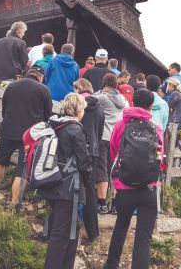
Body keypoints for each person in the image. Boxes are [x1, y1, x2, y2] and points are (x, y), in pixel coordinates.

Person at [105, 89, 164, 269]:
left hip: (124, 187)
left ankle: (112, 265)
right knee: (143, 237)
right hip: (149, 189)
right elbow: (161, 159)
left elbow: (114, 151)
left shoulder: (120, 124)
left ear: (132, 102)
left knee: (121, 225)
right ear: (151, 106)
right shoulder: (156, 128)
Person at [40, 93, 92, 269]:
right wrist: (88, 180)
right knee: (62, 233)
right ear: (77, 109)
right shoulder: (75, 129)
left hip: (52, 181)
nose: (84, 111)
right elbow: (84, 162)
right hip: (69, 188)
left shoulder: (54, 124)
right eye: (83, 108)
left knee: (69, 230)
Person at [0, 65, 52, 204]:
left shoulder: (12, 86)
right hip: (30, 135)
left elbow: (5, 108)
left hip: (9, 129)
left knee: (0, 160)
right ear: (40, 77)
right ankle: (14, 203)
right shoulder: (43, 89)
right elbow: (47, 115)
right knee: (23, 168)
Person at [73, 78, 105, 242]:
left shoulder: (77, 103)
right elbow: (99, 134)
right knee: (89, 192)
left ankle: (68, 229)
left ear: (79, 88)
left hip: (75, 148)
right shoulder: (100, 108)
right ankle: (93, 233)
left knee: (69, 187)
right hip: (92, 152)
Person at [94, 73, 128, 214]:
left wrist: (100, 92)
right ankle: (114, 204)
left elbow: (88, 100)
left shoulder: (102, 97)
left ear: (105, 85)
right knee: (114, 171)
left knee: (102, 169)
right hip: (118, 139)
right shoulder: (124, 100)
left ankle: (101, 203)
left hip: (104, 137)